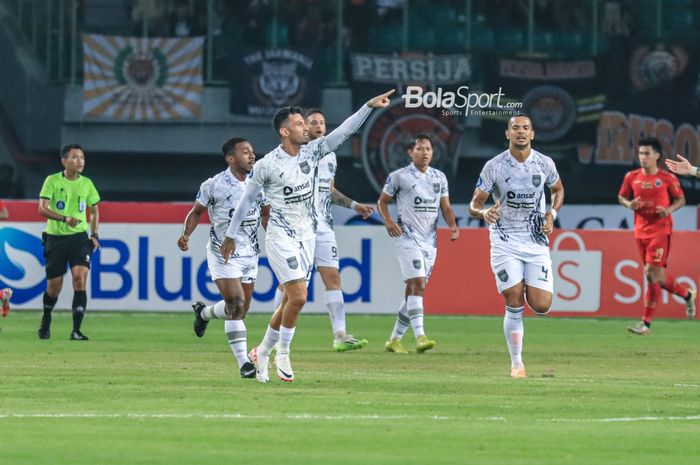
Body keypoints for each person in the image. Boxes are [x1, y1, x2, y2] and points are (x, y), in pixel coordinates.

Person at [220, 89, 394, 383]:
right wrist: (231, 235)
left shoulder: (314, 152)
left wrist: (367, 106)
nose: (307, 128)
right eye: (300, 124)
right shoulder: (266, 166)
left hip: (308, 234)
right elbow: (246, 201)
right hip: (280, 237)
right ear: (285, 132)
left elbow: (343, 132)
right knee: (299, 297)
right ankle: (284, 353)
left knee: (291, 298)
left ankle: (263, 351)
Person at [468, 115, 564, 378]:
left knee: (541, 305)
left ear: (532, 134)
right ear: (507, 134)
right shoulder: (494, 166)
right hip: (505, 239)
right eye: (515, 128)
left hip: (535, 240)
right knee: (513, 296)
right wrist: (483, 212)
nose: (520, 132)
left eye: (525, 128)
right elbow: (474, 203)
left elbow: (558, 190)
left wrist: (552, 214)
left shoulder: (544, 163)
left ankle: (518, 353)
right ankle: (516, 363)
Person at [271, 108, 374, 352]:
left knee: (333, 278)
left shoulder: (330, 157)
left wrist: (353, 205)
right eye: (313, 122)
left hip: (324, 227)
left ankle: (340, 335)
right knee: (289, 286)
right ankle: (273, 337)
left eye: (322, 122)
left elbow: (329, 190)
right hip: (298, 228)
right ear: (303, 127)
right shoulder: (297, 153)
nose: (319, 125)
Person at [177, 138, 270, 378]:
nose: (252, 155)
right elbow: (196, 212)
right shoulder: (214, 185)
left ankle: (204, 313)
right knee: (236, 304)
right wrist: (186, 234)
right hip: (223, 251)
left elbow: (266, 214)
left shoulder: (260, 182)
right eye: (245, 152)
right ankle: (244, 364)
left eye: (252, 151)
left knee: (239, 309)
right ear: (231, 158)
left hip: (251, 251)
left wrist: (277, 240)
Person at [378, 134, 459, 354]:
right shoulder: (399, 177)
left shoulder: (439, 177)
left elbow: (446, 207)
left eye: (428, 149)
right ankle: (420, 337)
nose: (424, 153)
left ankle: (394, 340)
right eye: (420, 149)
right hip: (407, 237)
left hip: (430, 241)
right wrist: (388, 221)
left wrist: (452, 226)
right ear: (410, 152)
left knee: (413, 290)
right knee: (419, 285)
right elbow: (382, 202)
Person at [619, 138, 697, 335]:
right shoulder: (632, 177)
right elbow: (622, 197)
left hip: (661, 230)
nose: (643, 157)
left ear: (657, 156)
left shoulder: (667, 178)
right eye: (641, 153)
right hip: (640, 231)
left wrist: (668, 210)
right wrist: (629, 205)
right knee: (655, 276)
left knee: (651, 273)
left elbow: (681, 200)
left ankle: (646, 323)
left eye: (647, 153)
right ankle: (687, 295)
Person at [37, 144, 100, 340]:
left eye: (82, 157)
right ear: (64, 161)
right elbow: (42, 208)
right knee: (54, 286)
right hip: (56, 238)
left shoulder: (87, 183)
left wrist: (94, 234)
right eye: (74, 157)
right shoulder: (52, 181)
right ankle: (46, 318)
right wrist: (64, 219)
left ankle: (76, 330)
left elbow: (95, 211)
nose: (80, 161)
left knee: (80, 278)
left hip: (79, 238)